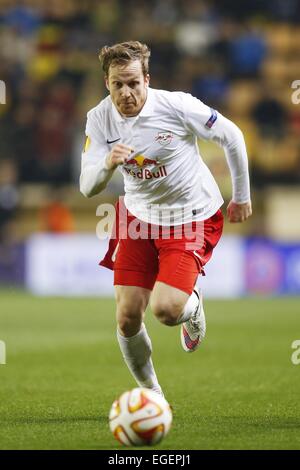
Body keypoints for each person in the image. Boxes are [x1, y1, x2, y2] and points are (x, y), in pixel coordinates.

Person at [80, 41, 252, 397]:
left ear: (147, 79)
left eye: (133, 83)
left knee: (166, 310)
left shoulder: (176, 106)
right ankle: (153, 396)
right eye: (117, 85)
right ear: (107, 84)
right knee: (127, 317)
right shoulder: (99, 119)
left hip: (189, 216)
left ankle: (193, 304)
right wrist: (108, 164)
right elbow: (87, 187)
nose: (126, 92)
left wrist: (241, 196)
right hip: (137, 217)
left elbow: (232, 136)